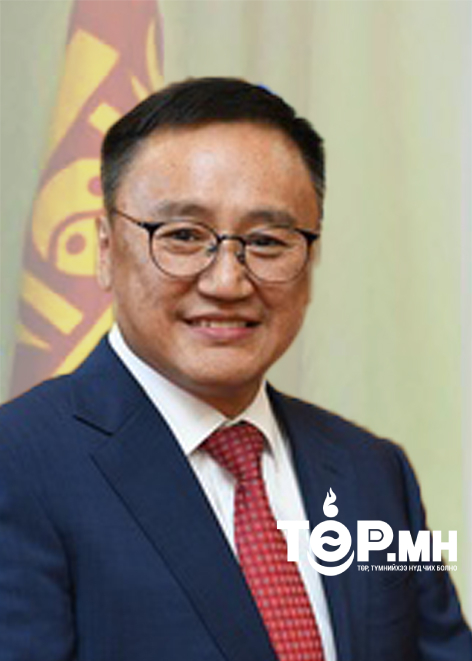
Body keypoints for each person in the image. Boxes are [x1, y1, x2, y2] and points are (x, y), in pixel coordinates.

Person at [0, 77, 470, 661]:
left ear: (311, 256)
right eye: (182, 235)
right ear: (104, 249)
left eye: (268, 241)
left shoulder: (372, 472)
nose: (227, 282)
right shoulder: (18, 463)